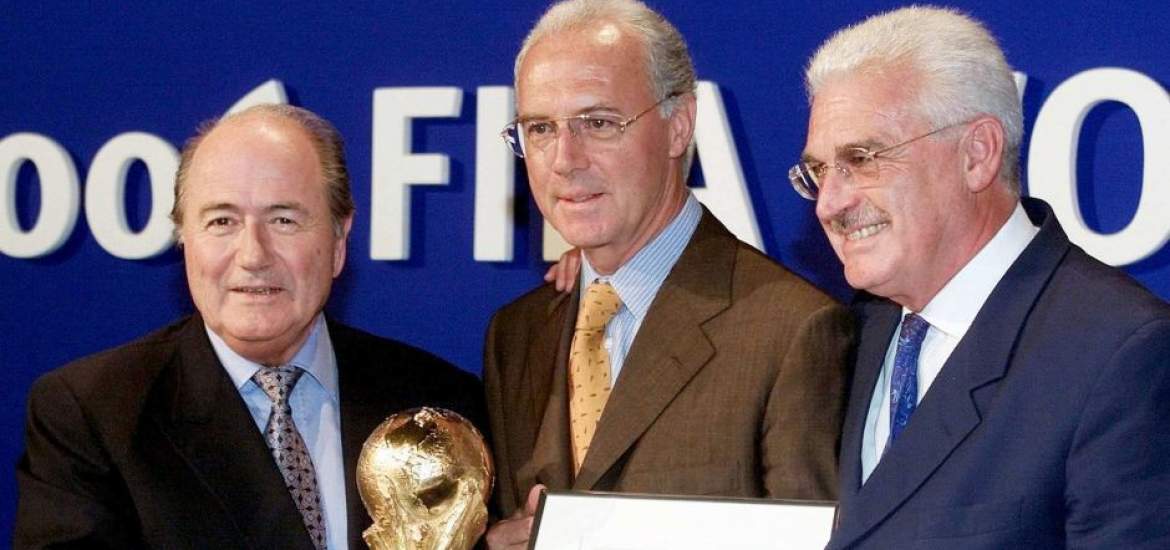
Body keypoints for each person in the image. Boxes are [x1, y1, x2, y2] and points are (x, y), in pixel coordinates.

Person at [15, 104, 487, 549]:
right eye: (222, 221)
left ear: (339, 239)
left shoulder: (438, 403)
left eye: (283, 220)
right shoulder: (94, 414)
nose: (253, 255)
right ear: (185, 240)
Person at [789, 7, 1170, 548]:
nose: (830, 203)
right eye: (819, 170)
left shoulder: (1121, 354)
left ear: (977, 154)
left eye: (863, 158)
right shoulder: (863, 327)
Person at [483, 1, 853, 547]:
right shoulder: (516, 335)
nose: (564, 159)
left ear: (679, 125)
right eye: (540, 128)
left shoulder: (792, 330)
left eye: (598, 123)